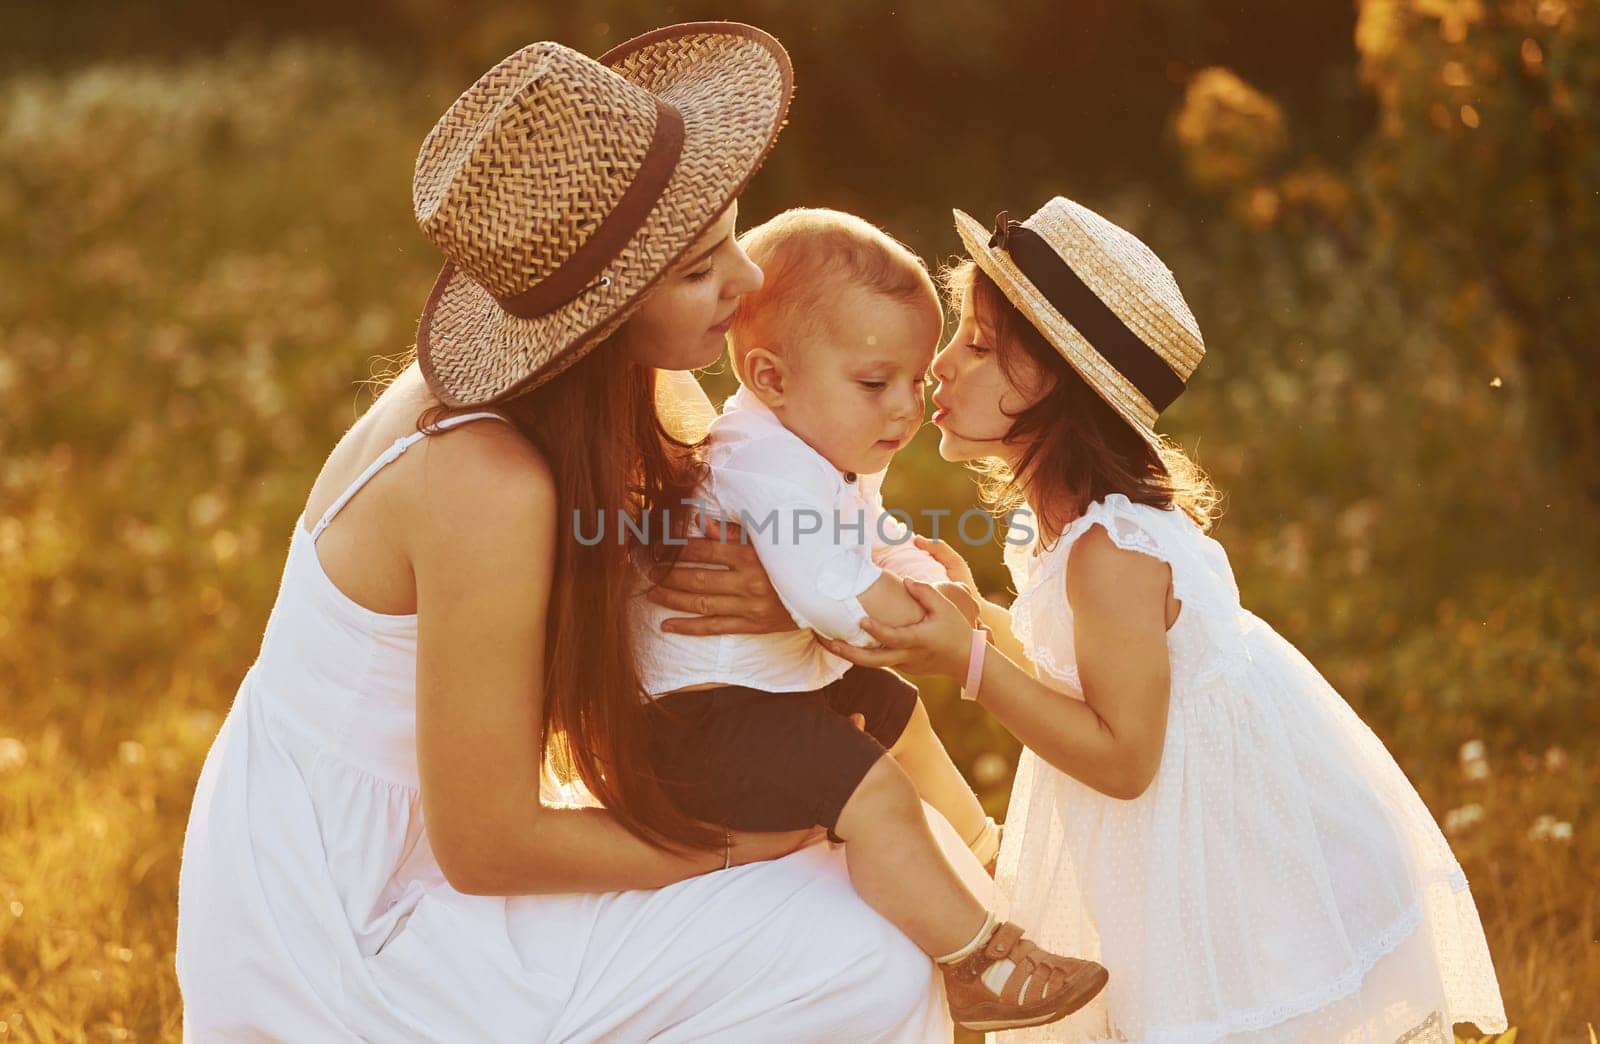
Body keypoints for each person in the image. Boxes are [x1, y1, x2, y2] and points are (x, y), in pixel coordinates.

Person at [175, 24, 956, 1041]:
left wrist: (784, 599)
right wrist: (730, 847)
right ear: (599, 312)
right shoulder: (484, 477)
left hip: (436, 855)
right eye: (696, 270)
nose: (748, 285)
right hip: (345, 920)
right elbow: (486, 846)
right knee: (864, 946)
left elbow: (704, 585)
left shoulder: (626, 398)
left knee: (879, 869)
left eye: (731, 236)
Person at [819, 196, 1509, 1041]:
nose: (942, 367)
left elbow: (1124, 759)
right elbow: (1082, 669)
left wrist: (969, 661)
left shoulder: (1112, 550)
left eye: (980, 346)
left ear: (1057, 387)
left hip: (1224, 849)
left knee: (1216, 1014)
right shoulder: (1062, 521)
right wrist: (988, 623)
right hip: (1179, 825)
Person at [631, 207, 1109, 1032]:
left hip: (753, 695)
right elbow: (834, 594)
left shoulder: (820, 444)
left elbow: (875, 539)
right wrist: (924, 620)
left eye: (915, 381)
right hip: (699, 723)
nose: (906, 408)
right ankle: (975, 961)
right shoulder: (763, 459)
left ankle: (986, 854)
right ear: (772, 377)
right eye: (875, 383)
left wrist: (936, 587)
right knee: (874, 791)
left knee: (893, 711)